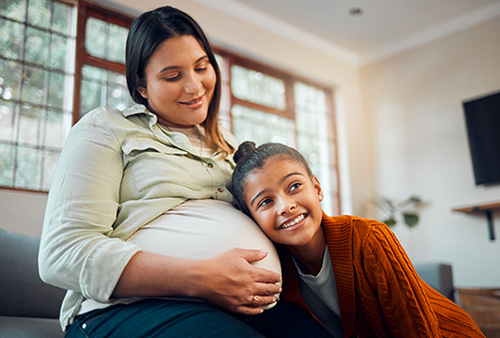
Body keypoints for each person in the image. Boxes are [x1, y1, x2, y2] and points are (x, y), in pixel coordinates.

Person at [38, 6, 333, 338]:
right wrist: (203, 277)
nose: (195, 87)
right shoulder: (107, 128)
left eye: (201, 67)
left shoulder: (230, 147)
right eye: (173, 76)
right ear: (142, 85)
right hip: (124, 309)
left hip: (242, 307)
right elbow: (62, 252)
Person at [231, 141, 486, 338]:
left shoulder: (368, 238)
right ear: (252, 219)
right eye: (266, 201)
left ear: (317, 188)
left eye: (294, 186)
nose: (285, 206)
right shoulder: (275, 272)